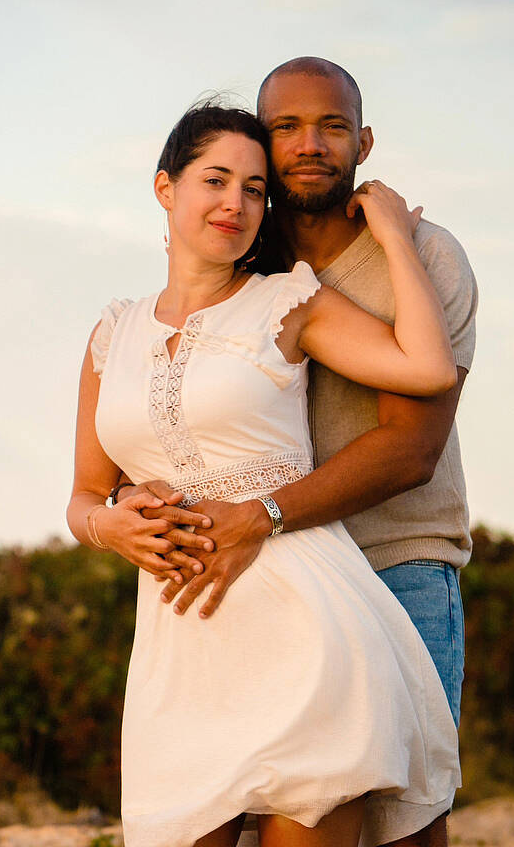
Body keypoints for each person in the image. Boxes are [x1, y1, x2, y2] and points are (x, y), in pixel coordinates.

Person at [67, 102, 462, 847]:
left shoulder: (289, 301)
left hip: (306, 627)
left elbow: (428, 368)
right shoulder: (112, 333)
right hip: (180, 645)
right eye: (216, 180)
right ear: (165, 187)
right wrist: (107, 526)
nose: (236, 203)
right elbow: (85, 493)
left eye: (255, 189)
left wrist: (394, 239)